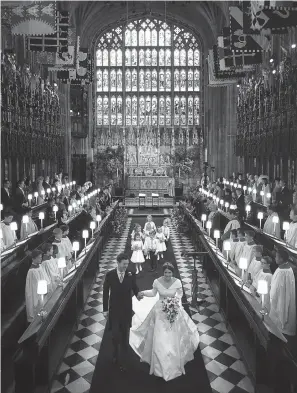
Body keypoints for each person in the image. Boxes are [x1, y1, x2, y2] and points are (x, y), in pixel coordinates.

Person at [129, 262, 200, 381]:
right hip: (160, 311)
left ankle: (175, 360)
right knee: (159, 336)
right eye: (166, 273)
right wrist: (143, 293)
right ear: (163, 272)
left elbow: (179, 295)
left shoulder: (177, 282)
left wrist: (174, 304)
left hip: (173, 310)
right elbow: (153, 293)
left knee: (174, 336)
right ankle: (158, 363)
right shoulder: (157, 281)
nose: (167, 275)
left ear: (173, 273)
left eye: (170, 273)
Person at [103, 253, 143, 371]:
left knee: (125, 336)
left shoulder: (130, 274)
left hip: (126, 310)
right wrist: (105, 310)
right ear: (118, 262)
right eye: (124, 264)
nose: (126, 266)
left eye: (127, 264)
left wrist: (138, 294)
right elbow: (105, 293)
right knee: (115, 335)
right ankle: (115, 352)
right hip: (114, 310)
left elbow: (134, 287)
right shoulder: (110, 275)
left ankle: (124, 361)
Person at [269, 248, 296, 336]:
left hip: (281, 298)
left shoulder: (282, 272)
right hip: (285, 295)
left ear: (281, 259)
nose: (275, 258)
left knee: (281, 314)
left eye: (276, 257)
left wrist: (271, 297)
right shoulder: (288, 268)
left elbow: (276, 289)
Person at [25, 249, 51, 323]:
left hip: (43, 291)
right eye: (39, 257)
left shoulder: (39, 266)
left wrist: (47, 286)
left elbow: (45, 277)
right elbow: (33, 287)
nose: (41, 259)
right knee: (39, 311)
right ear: (33, 259)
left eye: (41, 257)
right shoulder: (31, 271)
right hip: (37, 294)